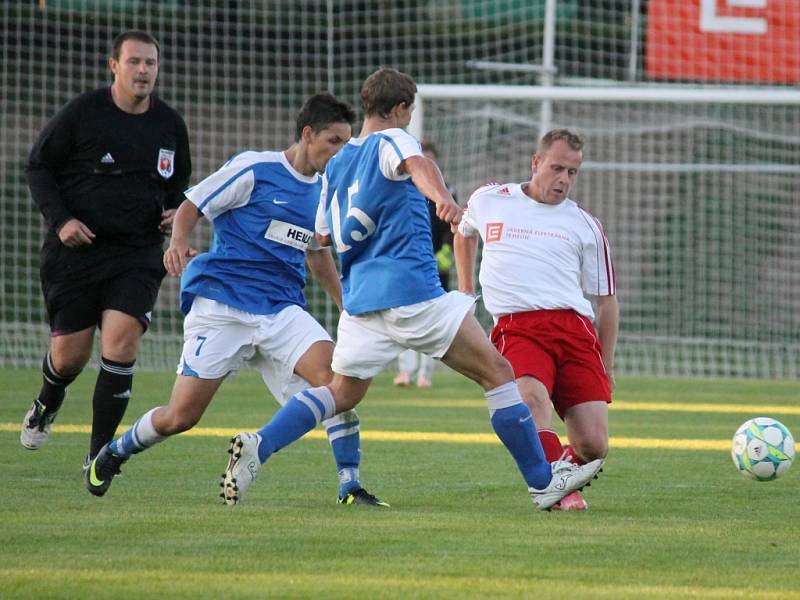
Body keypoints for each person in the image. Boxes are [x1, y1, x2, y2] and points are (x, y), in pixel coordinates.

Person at [218, 68, 604, 511]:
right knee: (498, 374)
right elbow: (418, 164)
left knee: (341, 392)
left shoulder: (337, 165)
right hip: (412, 291)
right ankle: (543, 483)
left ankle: (259, 445)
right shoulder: (394, 139)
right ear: (400, 109)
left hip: (363, 303)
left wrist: (346, 301)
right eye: (410, 112)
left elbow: (318, 246)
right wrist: (441, 197)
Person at [85, 93, 388, 507]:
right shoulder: (256, 168)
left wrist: (344, 305)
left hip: (281, 309)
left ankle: (350, 486)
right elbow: (193, 203)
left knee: (338, 383)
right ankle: (115, 452)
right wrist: (177, 242)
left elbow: (318, 255)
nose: (339, 153)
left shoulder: (324, 192)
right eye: (333, 141)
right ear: (308, 134)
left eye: (345, 143)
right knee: (181, 416)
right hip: (222, 305)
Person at [20, 31, 192, 469]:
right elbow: (38, 167)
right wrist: (62, 222)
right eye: (134, 61)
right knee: (70, 357)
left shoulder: (169, 124)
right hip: (76, 254)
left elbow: (177, 186)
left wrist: (174, 212)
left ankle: (97, 456)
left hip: (136, 255)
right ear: (113, 65)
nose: (143, 71)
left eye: (151, 63)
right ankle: (47, 400)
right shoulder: (83, 114)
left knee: (121, 341)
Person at [454, 128, 618, 511]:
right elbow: (463, 233)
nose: (564, 179)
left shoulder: (586, 224)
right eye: (557, 168)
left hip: (575, 331)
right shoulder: (490, 199)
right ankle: (555, 488)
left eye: (572, 172)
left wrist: (607, 365)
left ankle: (559, 472)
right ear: (536, 163)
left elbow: (607, 302)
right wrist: (465, 291)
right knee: (530, 397)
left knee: (594, 446)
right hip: (519, 326)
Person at [393, 141, 456, 389]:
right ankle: (405, 372)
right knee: (404, 317)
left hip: (437, 264)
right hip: (409, 263)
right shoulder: (405, 190)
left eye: (431, 161)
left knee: (434, 319)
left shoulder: (446, 190)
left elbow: (453, 225)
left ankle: (425, 373)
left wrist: (446, 251)